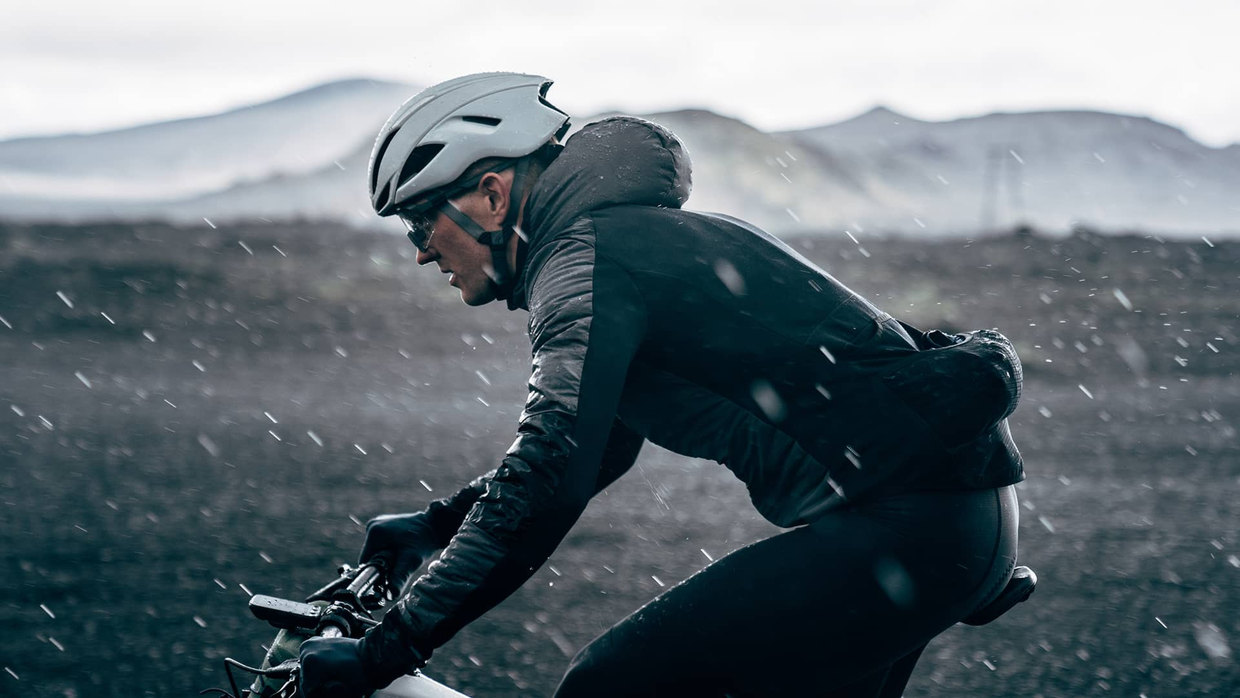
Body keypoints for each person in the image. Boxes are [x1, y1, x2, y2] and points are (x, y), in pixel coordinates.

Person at [298, 72, 1026, 698]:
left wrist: (385, 651)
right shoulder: (619, 244)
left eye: (422, 219)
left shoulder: (587, 261)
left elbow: (551, 476)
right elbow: (604, 442)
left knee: (606, 687)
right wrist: (437, 525)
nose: (422, 251)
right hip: (948, 523)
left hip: (909, 531)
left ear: (490, 194)